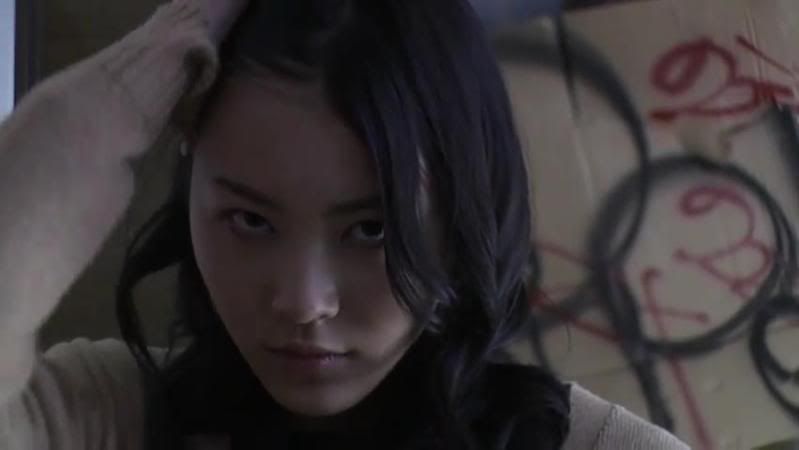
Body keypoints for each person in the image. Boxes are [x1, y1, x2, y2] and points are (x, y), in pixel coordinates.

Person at [0, 0, 690, 449]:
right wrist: (154, 59)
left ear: (464, 212)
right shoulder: (104, 419)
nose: (303, 302)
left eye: (372, 231)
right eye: (249, 220)